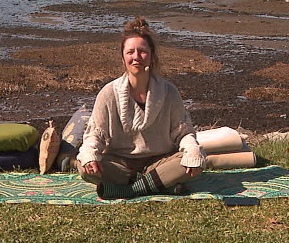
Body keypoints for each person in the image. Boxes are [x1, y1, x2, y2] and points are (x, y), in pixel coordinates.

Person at [77, 17, 206, 199]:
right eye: (130, 52)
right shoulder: (108, 93)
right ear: (123, 57)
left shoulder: (169, 92)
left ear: (152, 56)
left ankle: (129, 190)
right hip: (121, 165)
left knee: (192, 161)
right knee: (83, 167)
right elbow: (95, 134)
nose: (136, 57)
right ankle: (159, 184)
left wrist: (192, 151)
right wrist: (90, 154)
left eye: (142, 51)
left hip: (160, 162)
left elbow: (183, 133)